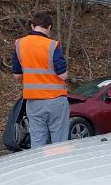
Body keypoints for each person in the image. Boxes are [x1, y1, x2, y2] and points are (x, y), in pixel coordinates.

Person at [12, 12, 70, 148]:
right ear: (49, 27)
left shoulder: (19, 44)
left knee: (37, 142)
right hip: (56, 101)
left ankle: (39, 169)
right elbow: (63, 76)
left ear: (32, 26)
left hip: (33, 102)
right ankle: (59, 168)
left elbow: (17, 75)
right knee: (60, 143)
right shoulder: (53, 45)